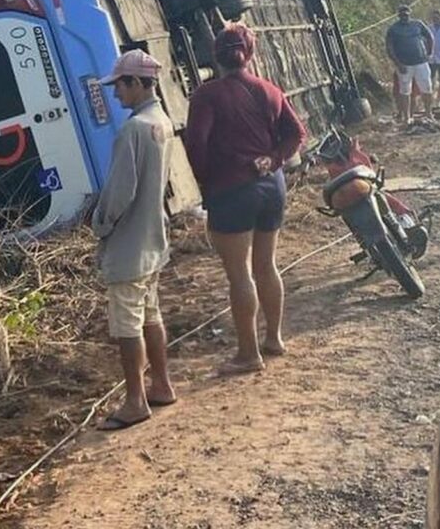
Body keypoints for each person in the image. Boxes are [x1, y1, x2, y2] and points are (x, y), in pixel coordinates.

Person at [184, 24, 307, 375]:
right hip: (272, 187)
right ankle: (275, 339)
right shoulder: (270, 89)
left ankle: (248, 354)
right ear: (249, 55)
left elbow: (196, 146)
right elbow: (296, 133)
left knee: (239, 274)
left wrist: (209, 185)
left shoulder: (207, 95)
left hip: (231, 190)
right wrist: (275, 158)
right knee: (266, 265)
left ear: (216, 57)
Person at [91, 49, 177, 430]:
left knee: (127, 325)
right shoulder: (162, 122)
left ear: (139, 84)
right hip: (153, 240)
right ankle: (161, 384)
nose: (116, 93)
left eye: (121, 85)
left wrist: (100, 223)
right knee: (151, 315)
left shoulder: (133, 129)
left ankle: (135, 400)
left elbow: (119, 192)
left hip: (128, 245)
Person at [386, 5, 435, 125]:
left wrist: (429, 53)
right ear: (398, 15)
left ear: (409, 14)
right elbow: (389, 47)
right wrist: (397, 63)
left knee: (427, 88)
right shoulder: (393, 29)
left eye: (406, 15)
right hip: (404, 64)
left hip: (421, 62)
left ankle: (429, 113)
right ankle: (406, 117)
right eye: (402, 15)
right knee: (404, 91)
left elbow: (429, 37)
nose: (404, 17)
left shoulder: (417, 24)